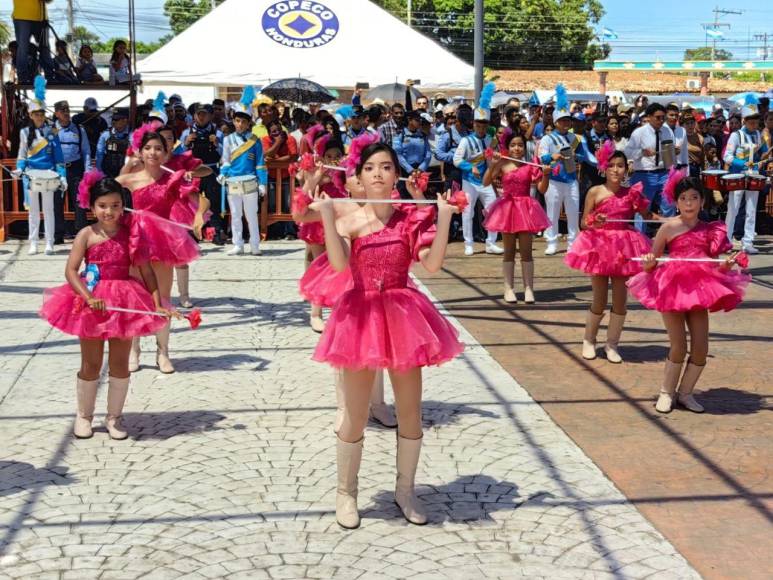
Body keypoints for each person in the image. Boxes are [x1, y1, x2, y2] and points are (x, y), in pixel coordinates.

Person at [309, 141, 464, 529]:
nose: (378, 173)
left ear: (396, 175)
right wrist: (328, 216)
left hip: (403, 315)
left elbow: (431, 266)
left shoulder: (410, 218)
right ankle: (346, 493)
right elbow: (341, 265)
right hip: (361, 314)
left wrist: (443, 217)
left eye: (386, 167)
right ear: (358, 177)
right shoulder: (350, 219)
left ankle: (405, 490)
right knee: (355, 415)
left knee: (411, 414)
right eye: (370, 167)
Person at [39, 175, 175, 439]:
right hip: (92, 303)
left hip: (125, 301)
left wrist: (157, 302)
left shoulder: (132, 235)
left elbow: (147, 272)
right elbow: (71, 271)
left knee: (120, 363)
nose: (109, 211)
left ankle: (114, 418)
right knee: (91, 363)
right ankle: (84, 416)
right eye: (102, 205)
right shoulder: (86, 235)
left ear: (122, 206)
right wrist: (88, 297)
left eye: (115, 205)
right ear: (91, 207)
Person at [628, 177, 750, 414]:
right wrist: (649, 262)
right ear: (676, 202)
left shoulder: (709, 230)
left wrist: (726, 265)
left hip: (700, 289)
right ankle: (666, 392)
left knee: (701, 347)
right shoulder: (668, 227)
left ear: (702, 201)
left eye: (694, 197)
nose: (689, 203)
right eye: (683, 198)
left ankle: (685, 393)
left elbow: (716, 267)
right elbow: (650, 265)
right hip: (672, 287)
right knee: (678, 345)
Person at [116, 129, 201, 374]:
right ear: (140, 151)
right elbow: (106, 189)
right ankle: (134, 349)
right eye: (148, 148)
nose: (153, 153)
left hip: (164, 241)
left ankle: (162, 351)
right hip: (137, 240)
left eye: (158, 149)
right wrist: (127, 167)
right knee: (136, 295)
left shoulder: (173, 177)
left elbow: (197, 198)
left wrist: (197, 213)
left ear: (166, 153)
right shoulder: (131, 179)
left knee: (163, 296)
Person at [566, 145, 655, 363]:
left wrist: (676, 220)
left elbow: (648, 215)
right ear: (604, 168)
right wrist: (593, 222)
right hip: (599, 247)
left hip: (624, 249)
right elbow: (583, 223)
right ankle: (589, 340)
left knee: (620, 299)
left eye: (620, 166)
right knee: (599, 298)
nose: (616, 170)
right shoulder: (595, 192)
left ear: (627, 169)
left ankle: (612, 344)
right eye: (612, 166)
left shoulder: (632, 193)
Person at [482, 132, 550, 303]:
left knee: (526, 251)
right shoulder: (502, 163)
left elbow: (542, 189)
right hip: (507, 209)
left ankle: (529, 289)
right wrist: (493, 165)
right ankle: (509, 288)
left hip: (526, 208)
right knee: (509, 251)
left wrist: (546, 174)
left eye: (520, 145)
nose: (517, 148)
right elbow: (485, 182)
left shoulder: (530, 164)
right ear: (507, 147)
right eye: (513, 145)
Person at [538, 85, 597, 255]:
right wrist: (553, 156)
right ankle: (552, 241)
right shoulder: (547, 139)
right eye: (562, 121)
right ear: (555, 122)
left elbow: (584, 156)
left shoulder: (576, 138)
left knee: (572, 211)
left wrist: (582, 159)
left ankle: (573, 242)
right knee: (553, 212)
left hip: (571, 179)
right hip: (554, 181)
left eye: (567, 120)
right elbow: (542, 158)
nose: (565, 123)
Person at [15, 76, 66, 255]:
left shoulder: (52, 131)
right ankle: (34, 242)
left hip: (49, 175)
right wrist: (19, 169)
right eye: (36, 114)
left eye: (42, 113)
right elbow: (22, 155)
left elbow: (59, 157)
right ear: (30, 115)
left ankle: (49, 242)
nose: (39, 116)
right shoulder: (24, 133)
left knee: (49, 210)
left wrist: (63, 175)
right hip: (31, 175)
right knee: (33, 211)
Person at [454, 83, 503, 256]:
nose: (481, 128)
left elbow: (494, 158)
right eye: (478, 125)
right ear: (474, 124)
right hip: (470, 181)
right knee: (468, 213)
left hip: (486, 180)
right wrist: (470, 166)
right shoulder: (465, 141)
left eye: (484, 125)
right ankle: (469, 243)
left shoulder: (491, 140)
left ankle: (491, 242)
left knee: (493, 209)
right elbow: (456, 160)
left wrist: (496, 163)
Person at [219, 87, 268, 256]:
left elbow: (260, 164)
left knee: (251, 215)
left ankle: (255, 245)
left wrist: (262, 183)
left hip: (250, 182)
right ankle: (238, 244)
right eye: (237, 121)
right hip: (233, 181)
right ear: (233, 121)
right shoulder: (227, 140)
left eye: (243, 122)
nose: (240, 124)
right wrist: (222, 173)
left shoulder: (255, 141)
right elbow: (226, 160)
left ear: (249, 123)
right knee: (235, 214)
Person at [722, 96, 769, 254]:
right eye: (751, 122)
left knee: (751, 209)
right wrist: (742, 163)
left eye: (756, 122)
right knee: (733, 208)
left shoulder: (758, 135)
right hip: (737, 175)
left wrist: (762, 160)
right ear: (744, 120)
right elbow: (727, 156)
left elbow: (762, 155)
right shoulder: (736, 136)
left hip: (753, 174)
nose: (755, 125)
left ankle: (748, 241)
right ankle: (727, 241)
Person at [625, 103, 677, 230]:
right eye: (658, 117)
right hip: (644, 174)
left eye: (663, 118)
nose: (661, 121)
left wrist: (674, 152)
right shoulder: (639, 133)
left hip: (664, 173)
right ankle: (640, 240)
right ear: (649, 117)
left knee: (669, 206)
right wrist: (642, 153)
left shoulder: (667, 130)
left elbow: (670, 152)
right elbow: (627, 152)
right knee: (642, 209)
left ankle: (669, 238)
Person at [179, 103, 225, 244]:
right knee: (192, 203)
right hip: (193, 172)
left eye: (204, 114)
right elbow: (180, 154)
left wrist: (217, 143)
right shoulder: (186, 133)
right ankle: (192, 233)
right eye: (198, 114)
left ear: (210, 116)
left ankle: (215, 232)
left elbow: (224, 154)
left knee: (213, 202)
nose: (201, 117)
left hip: (211, 170)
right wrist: (186, 143)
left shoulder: (218, 133)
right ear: (194, 116)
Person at [53, 100, 91, 240]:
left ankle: (81, 234)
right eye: (63, 111)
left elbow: (86, 151)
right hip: (57, 170)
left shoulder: (79, 129)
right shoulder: (52, 130)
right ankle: (58, 234)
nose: (67, 113)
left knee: (79, 201)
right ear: (57, 113)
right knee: (57, 201)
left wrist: (87, 171)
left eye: (68, 110)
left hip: (75, 168)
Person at [11, 0, 56, 83]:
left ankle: (50, 76)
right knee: (23, 49)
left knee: (45, 48)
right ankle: (22, 78)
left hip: (42, 19)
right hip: (22, 16)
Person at [393, 110, 432, 196]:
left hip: (420, 171)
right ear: (409, 120)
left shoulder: (423, 135)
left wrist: (421, 168)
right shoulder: (400, 135)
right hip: (405, 170)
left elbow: (428, 154)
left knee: (420, 196)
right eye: (417, 120)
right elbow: (398, 154)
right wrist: (410, 170)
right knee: (405, 196)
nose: (419, 122)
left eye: (420, 120)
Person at [96, 108, 131, 178]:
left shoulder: (132, 135)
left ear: (125, 120)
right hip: (107, 173)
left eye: (116, 119)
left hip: (125, 174)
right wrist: (99, 173)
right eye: (113, 119)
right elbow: (99, 154)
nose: (113, 122)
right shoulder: (105, 135)